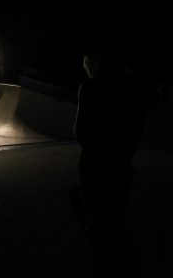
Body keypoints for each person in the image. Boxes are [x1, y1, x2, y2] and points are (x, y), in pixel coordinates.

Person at [71, 41, 146, 278]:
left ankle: (104, 269)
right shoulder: (131, 88)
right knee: (120, 221)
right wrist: (123, 154)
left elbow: (80, 133)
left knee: (97, 227)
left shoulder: (90, 87)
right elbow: (137, 132)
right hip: (122, 163)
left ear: (93, 63)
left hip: (94, 163)